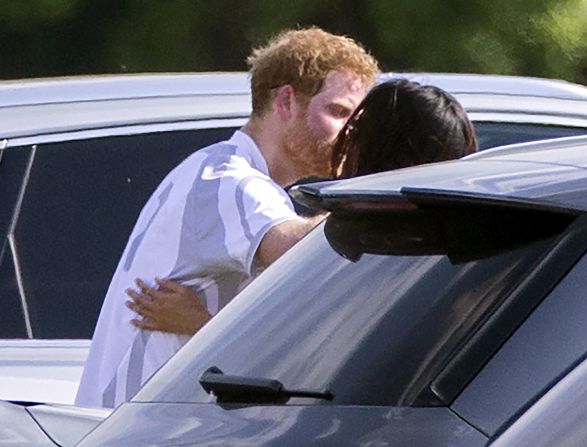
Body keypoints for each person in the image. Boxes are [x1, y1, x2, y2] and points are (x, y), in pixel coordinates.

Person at [75, 27, 379, 409]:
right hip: (137, 429)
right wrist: (378, 205)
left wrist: (202, 325)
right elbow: (294, 246)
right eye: (338, 112)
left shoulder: (228, 177)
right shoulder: (227, 180)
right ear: (286, 101)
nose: (350, 132)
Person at [125, 79, 477, 338]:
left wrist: (198, 326)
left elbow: (298, 369)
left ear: (378, 147)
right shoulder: (469, 242)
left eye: (355, 126)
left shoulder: (367, 253)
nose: (343, 138)